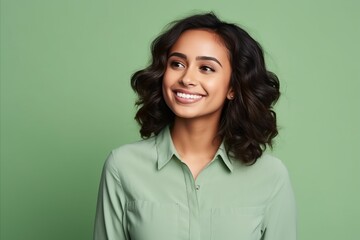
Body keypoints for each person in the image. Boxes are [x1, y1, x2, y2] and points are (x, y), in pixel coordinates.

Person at [93, 12, 296, 240]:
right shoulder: (123, 167)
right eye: (177, 64)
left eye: (206, 68)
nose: (186, 78)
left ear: (233, 88)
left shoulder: (270, 176)